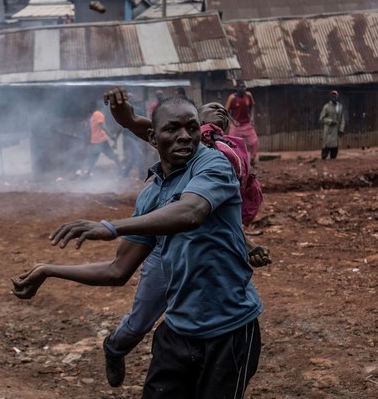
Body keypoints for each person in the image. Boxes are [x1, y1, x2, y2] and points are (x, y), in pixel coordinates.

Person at [12, 96, 263, 398]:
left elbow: (191, 213)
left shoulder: (212, 163)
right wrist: (49, 270)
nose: (185, 136)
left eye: (192, 128)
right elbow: (118, 270)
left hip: (230, 330)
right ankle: (116, 346)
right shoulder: (151, 194)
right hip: (178, 330)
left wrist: (112, 227)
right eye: (173, 129)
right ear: (153, 139)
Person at [100, 87, 269, 388]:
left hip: (223, 314)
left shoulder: (219, 156)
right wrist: (127, 120)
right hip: (162, 247)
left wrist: (246, 243)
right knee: (142, 316)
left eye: (223, 112)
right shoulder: (157, 184)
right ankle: (116, 346)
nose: (219, 110)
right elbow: (156, 130)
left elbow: (211, 214)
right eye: (211, 107)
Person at [82, 100, 122, 176]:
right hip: (98, 141)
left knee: (94, 158)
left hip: (98, 141)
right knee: (108, 156)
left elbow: (100, 126)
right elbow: (100, 126)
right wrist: (111, 136)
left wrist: (110, 136)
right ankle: (121, 169)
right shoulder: (97, 114)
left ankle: (87, 174)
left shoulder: (96, 114)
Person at [225, 81, 259, 166]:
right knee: (232, 143)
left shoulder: (248, 95)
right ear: (236, 88)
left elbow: (252, 107)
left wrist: (252, 117)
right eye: (241, 87)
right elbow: (226, 111)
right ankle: (234, 161)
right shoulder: (232, 98)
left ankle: (252, 159)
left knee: (254, 142)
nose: (243, 89)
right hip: (236, 125)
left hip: (247, 124)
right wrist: (232, 120)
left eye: (244, 87)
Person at [319, 90, 345, 159]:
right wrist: (330, 121)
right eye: (332, 95)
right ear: (330, 97)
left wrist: (341, 129)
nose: (334, 97)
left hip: (336, 132)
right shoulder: (326, 107)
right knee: (324, 154)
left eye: (335, 95)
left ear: (338, 97)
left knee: (334, 156)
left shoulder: (340, 107)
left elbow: (342, 119)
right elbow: (321, 118)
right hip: (329, 132)